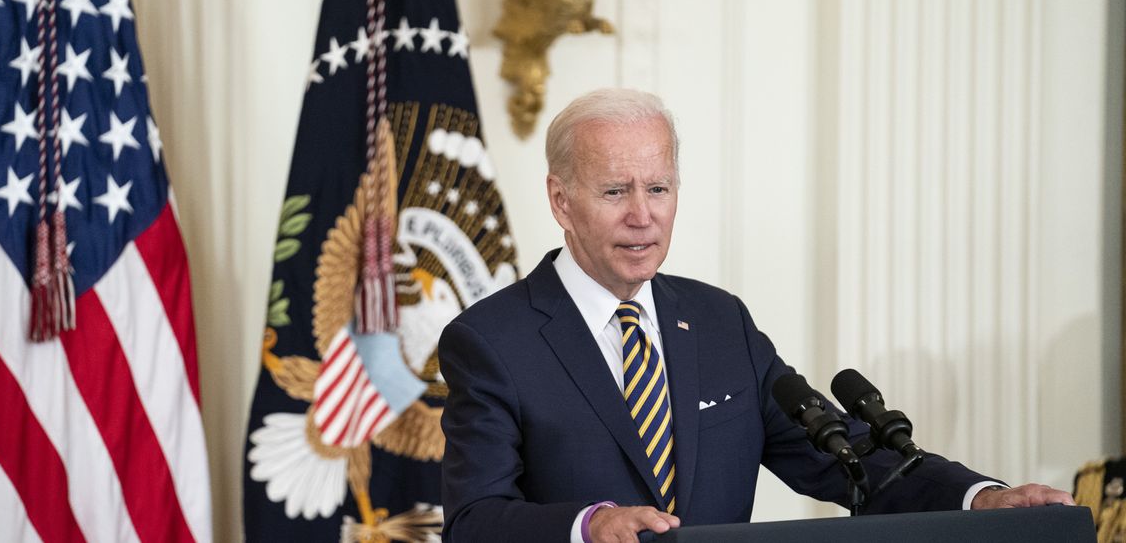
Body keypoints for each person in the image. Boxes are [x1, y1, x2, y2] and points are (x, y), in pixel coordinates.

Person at [438, 89, 1073, 543]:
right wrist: (588, 526)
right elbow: (475, 518)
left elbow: (840, 456)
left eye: (658, 189)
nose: (643, 215)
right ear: (561, 199)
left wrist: (981, 498)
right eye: (614, 191)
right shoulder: (493, 341)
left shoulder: (719, 322)